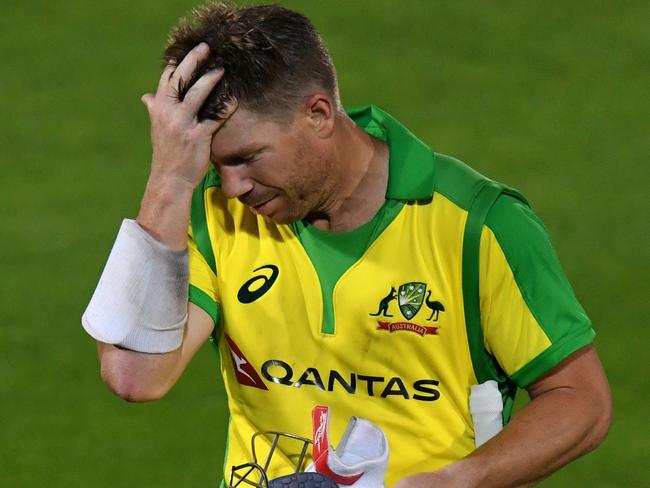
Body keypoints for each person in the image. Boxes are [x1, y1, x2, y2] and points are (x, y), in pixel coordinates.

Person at [82, 3, 612, 487]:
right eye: (215, 166)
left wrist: (462, 480)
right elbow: (134, 376)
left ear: (317, 114)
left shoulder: (478, 226)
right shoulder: (214, 214)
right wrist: (169, 183)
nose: (234, 186)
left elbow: (581, 401)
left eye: (247, 158)